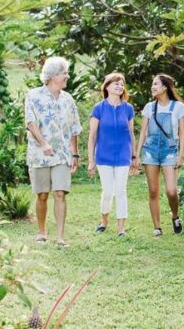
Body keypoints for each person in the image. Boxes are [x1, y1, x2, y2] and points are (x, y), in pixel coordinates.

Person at [24, 57, 81, 247]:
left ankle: (60, 237)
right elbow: (31, 123)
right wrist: (44, 144)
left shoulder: (68, 99)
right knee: (42, 195)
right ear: (53, 76)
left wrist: (75, 154)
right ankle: (42, 231)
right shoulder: (33, 96)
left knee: (59, 193)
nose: (67, 76)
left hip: (62, 155)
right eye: (64, 73)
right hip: (39, 154)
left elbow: (74, 129)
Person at [136, 74, 184, 236]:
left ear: (165, 87)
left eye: (156, 84)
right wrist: (137, 155)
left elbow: (183, 133)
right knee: (153, 191)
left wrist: (180, 156)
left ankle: (175, 215)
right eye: (152, 84)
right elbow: (143, 133)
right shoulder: (149, 107)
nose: (153, 87)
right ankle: (157, 227)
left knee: (171, 190)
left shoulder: (178, 107)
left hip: (170, 152)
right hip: (150, 152)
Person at [87, 73, 138, 237]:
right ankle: (104, 221)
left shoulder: (128, 108)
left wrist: (135, 156)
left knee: (121, 191)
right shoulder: (99, 108)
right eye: (116, 83)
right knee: (108, 191)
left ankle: (121, 228)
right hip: (104, 156)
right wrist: (90, 160)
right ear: (107, 86)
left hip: (123, 155)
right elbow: (92, 136)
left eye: (122, 84)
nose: (119, 86)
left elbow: (131, 133)